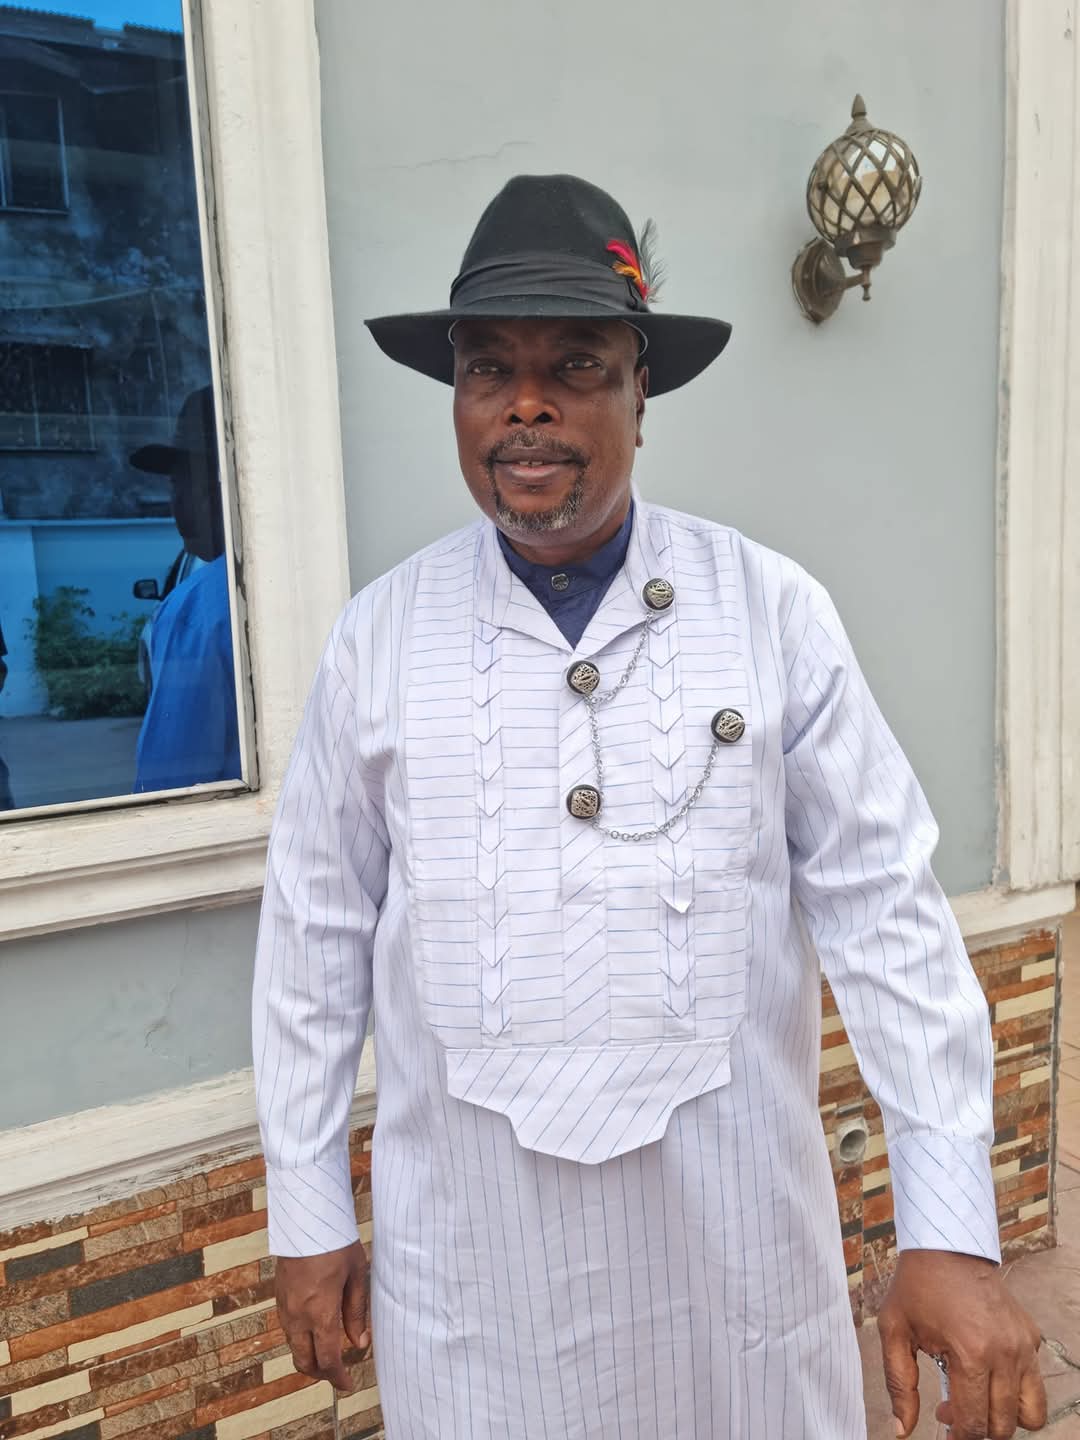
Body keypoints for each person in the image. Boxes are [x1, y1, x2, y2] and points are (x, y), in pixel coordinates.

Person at [252, 175, 1045, 1439]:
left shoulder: (770, 612)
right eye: (487, 367)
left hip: (733, 1264)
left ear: (641, 394)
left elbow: (887, 917)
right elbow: (312, 939)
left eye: (576, 364)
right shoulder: (379, 640)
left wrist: (949, 1228)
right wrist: (307, 1210)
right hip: (474, 1278)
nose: (526, 404)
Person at [130, 385, 241, 794]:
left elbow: (168, 787)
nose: (176, 505)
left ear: (219, 486)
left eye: (181, 486)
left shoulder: (197, 608)